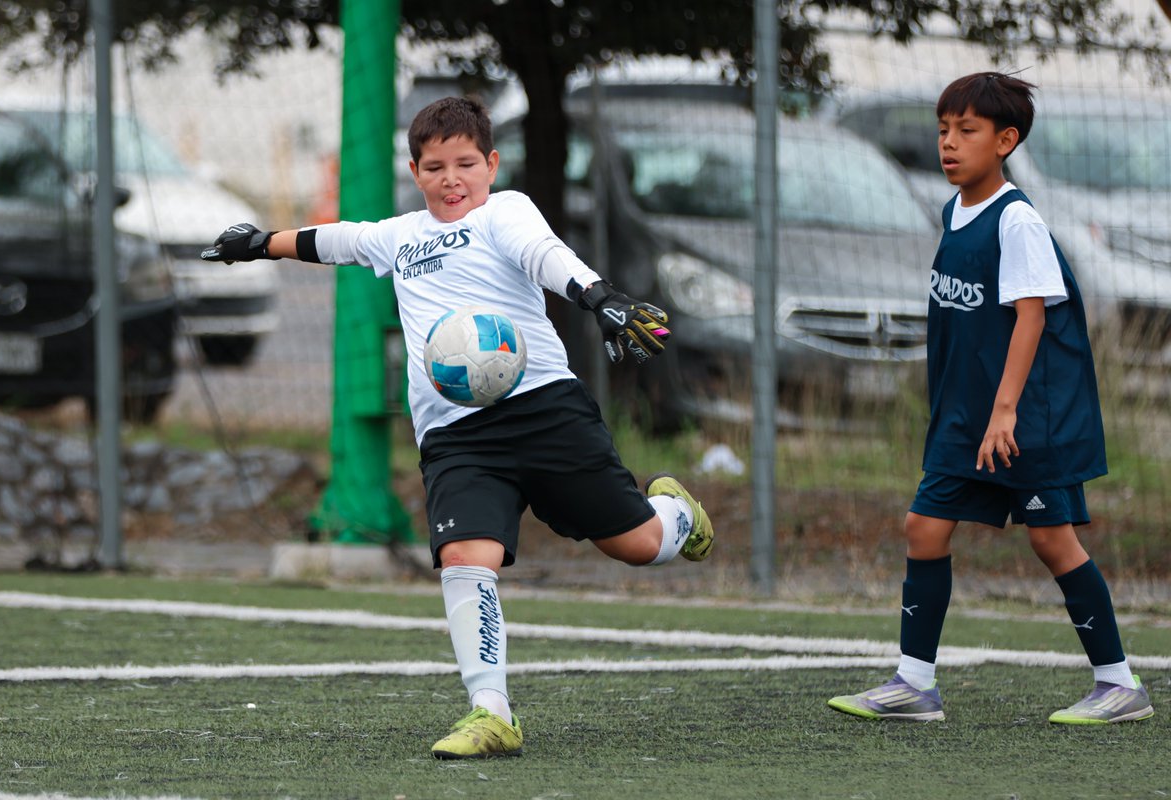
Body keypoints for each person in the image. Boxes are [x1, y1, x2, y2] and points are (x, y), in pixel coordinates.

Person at [202, 96, 715, 757]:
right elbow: (334, 239)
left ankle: (674, 512)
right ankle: (491, 712)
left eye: (466, 163)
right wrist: (257, 245)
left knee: (639, 545)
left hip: (545, 411)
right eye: (436, 166)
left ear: (491, 164)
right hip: (457, 436)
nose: (452, 178)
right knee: (465, 557)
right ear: (415, 171)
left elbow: (544, 254)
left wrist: (600, 297)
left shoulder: (506, 211)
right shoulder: (401, 236)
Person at [827, 72, 1153, 725]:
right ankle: (915, 686)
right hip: (965, 419)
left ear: (1006, 140)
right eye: (943, 129)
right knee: (923, 528)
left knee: (1052, 542)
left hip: (1024, 419)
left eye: (966, 131)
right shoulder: (954, 213)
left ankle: (1119, 685)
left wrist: (1006, 411)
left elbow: (1030, 318)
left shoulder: (1018, 221)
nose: (949, 143)